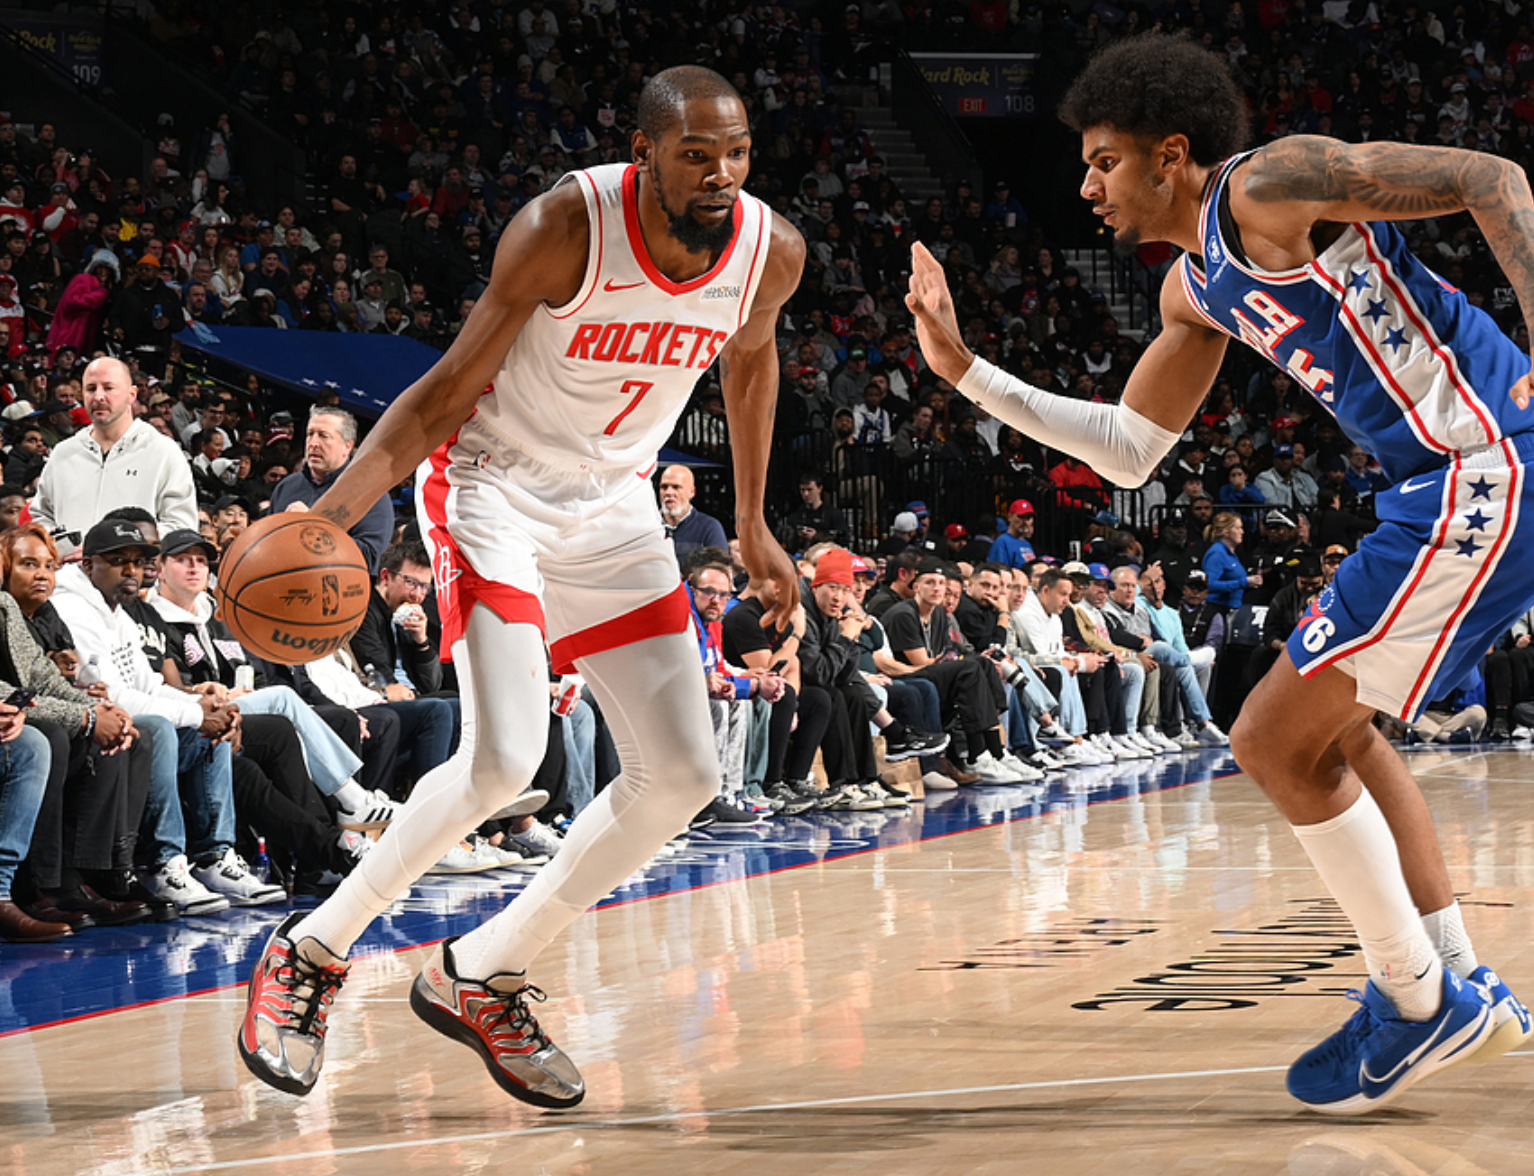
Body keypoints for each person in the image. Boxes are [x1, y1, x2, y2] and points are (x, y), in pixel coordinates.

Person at [905, 32, 1532, 1114]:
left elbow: (1493, 178)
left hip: (1482, 472)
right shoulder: (1193, 289)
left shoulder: (1268, 186)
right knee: (1336, 734)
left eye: (1104, 160)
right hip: (1433, 491)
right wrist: (965, 371)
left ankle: (1417, 1000)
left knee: (1266, 741)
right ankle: (1453, 976)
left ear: (1170, 155)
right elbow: (1128, 451)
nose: (1087, 185)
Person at [239, 66, 804, 1109]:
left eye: (736, 153)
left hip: (614, 503)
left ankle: (481, 972)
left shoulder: (772, 250)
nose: (721, 173)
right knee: (504, 755)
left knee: (682, 774)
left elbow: (752, 362)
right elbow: (444, 391)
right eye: (696, 155)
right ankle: (311, 950)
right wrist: (332, 520)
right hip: (492, 483)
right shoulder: (566, 226)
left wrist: (757, 520)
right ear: (644, 153)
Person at [32, 356, 199, 537]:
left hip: (137, 556)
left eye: (108, 388)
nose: (98, 397)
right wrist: (63, 544)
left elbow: (182, 527)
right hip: (70, 556)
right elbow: (40, 516)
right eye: (91, 389)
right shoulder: (64, 452)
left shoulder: (163, 451)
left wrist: (126, 544)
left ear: (132, 394)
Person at [269, 406, 395, 574]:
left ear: (347, 447)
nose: (313, 443)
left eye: (324, 436)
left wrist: (311, 525)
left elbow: (370, 557)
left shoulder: (370, 492)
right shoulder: (287, 486)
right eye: (310, 434)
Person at [658, 463, 728, 568]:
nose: (669, 492)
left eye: (676, 487)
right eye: (664, 487)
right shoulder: (647, 527)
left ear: (692, 492)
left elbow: (719, 569)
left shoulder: (709, 527)